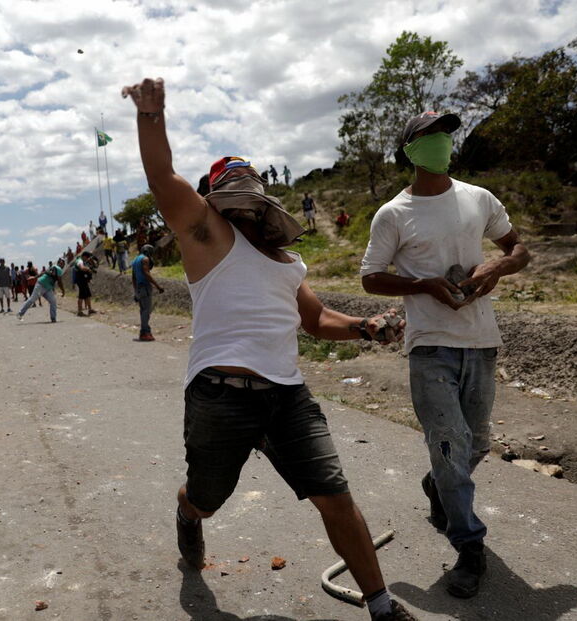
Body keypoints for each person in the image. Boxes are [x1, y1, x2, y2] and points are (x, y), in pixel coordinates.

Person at [122, 77, 412, 621]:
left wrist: (366, 328)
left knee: (335, 495)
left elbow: (318, 319)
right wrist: (151, 116)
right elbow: (161, 177)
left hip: (287, 399)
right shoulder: (205, 234)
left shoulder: (286, 263)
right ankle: (188, 513)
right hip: (219, 398)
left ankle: (381, 606)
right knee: (207, 499)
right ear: (220, 200)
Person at [361, 111, 531, 600]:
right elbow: (371, 276)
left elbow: (518, 248)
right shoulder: (394, 213)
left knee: (474, 446)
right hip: (430, 345)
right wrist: (424, 286)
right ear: (410, 149)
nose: (441, 142)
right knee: (452, 446)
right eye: (429, 135)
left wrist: (497, 265)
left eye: (445, 134)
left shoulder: (479, 198)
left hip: (481, 341)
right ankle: (469, 547)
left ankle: (438, 488)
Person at [17, 258, 66, 322]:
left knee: (53, 301)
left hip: (47, 287)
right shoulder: (58, 269)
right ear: (59, 263)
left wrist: (35, 277)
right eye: (62, 263)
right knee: (32, 299)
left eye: (63, 264)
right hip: (41, 285)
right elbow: (60, 281)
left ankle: (53, 318)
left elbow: (44, 272)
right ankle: (20, 313)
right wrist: (63, 290)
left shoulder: (52, 267)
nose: (62, 265)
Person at [130, 244, 163, 340]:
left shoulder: (135, 260)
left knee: (143, 310)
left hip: (139, 288)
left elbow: (133, 277)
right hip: (145, 287)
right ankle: (145, 332)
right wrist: (158, 286)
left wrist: (136, 290)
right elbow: (146, 273)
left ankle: (144, 332)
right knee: (146, 311)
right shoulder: (145, 259)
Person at [74, 251, 97, 317]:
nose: (87, 259)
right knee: (81, 295)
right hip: (81, 280)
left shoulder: (82, 261)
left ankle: (90, 309)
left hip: (83, 280)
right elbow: (82, 268)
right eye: (87, 258)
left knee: (88, 295)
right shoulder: (80, 261)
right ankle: (80, 311)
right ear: (84, 256)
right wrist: (89, 269)